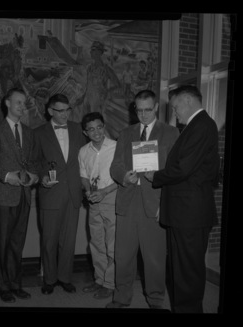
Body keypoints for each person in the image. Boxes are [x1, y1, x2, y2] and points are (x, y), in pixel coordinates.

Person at [144, 85, 219, 313]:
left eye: (175, 107)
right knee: (181, 268)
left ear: (187, 101)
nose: (174, 112)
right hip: (184, 211)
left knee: (188, 270)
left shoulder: (202, 125)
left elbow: (183, 168)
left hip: (190, 213)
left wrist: (154, 175)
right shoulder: (195, 126)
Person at [107, 89, 179, 309]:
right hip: (128, 200)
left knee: (154, 257)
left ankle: (156, 299)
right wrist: (123, 177)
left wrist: (165, 204)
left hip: (155, 202)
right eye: (139, 110)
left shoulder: (171, 133)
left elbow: (175, 172)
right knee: (123, 255)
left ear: (156, 107)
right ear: (134, 109)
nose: (144, 115)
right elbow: (116, 165)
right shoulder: (126, 133)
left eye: (148, 110)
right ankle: (121, 298)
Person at [0, 87, 39, 303]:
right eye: (18, 102)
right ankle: (1, 286)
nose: (22, 106)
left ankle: (15, 284)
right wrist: (7, 176)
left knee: (17, 243)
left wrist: (35, 175)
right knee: (1, 243)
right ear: (7, 103)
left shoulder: (28, 132)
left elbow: (33, 161)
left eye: (24, 103)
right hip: (3, 196)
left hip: (24, 196)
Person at [34, 93, 87, 295]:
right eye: (60, 110)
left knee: (69, 240)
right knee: (49, 240)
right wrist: (41, 177)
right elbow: (34, 161)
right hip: (51, 193)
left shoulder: (78, 130)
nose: (65, 114)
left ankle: (65, 278)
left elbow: (87, 156)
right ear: (50, 111)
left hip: (74, 192)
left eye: (67, 110)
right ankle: (49, 279)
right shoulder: (38, 133)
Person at [78, 112, 118, 299]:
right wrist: (87, 190)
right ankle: (99, 280)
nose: (97, 132)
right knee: (96, 243)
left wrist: (104, 192)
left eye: (99, 127)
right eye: (91, 129)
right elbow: (84, 176)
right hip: (93, 200)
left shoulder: (117, 148)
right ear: (85, 132)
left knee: (112, 244)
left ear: (104, 126)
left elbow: (123, 178)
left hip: (111, 198)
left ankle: (110, 283)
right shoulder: (83, 151)